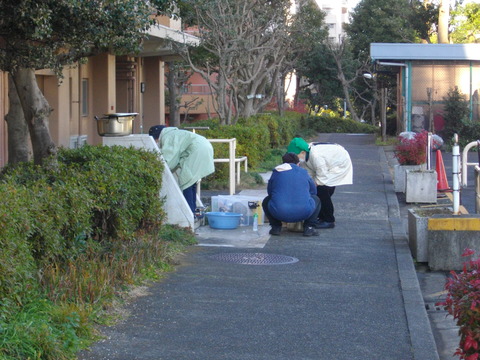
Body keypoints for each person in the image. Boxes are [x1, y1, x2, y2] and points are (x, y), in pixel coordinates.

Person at [287, 137, 352, 229]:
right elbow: (308, 175)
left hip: (339, 163)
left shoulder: (316, 156)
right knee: (320, 192)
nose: (295, 159)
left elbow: (322, 176)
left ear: (302, 152)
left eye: (296, 156)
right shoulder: (306, 155)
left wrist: (312, 186)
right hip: (327, 163)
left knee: (322, 190)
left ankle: (329, 220)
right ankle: (322, 216)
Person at [149, 125, 214, 213]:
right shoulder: (174, 133)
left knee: (186, 182)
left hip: (197, 150)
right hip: (205, 146)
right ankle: (194, 211)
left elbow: (168, 159)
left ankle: (190, 213)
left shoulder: (168, 137)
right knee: (191, 182)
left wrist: (156, 168)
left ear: (156, 137)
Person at [262, 152, 321, 237]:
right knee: (316, 199)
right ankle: (309, 227)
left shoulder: (277, 172)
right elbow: (313, 191)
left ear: (283, 163)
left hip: (279, 212)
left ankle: (276, 227)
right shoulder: (303, 172)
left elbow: (270, 192)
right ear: (298, 163)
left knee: (266, 201)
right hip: (304, 212)